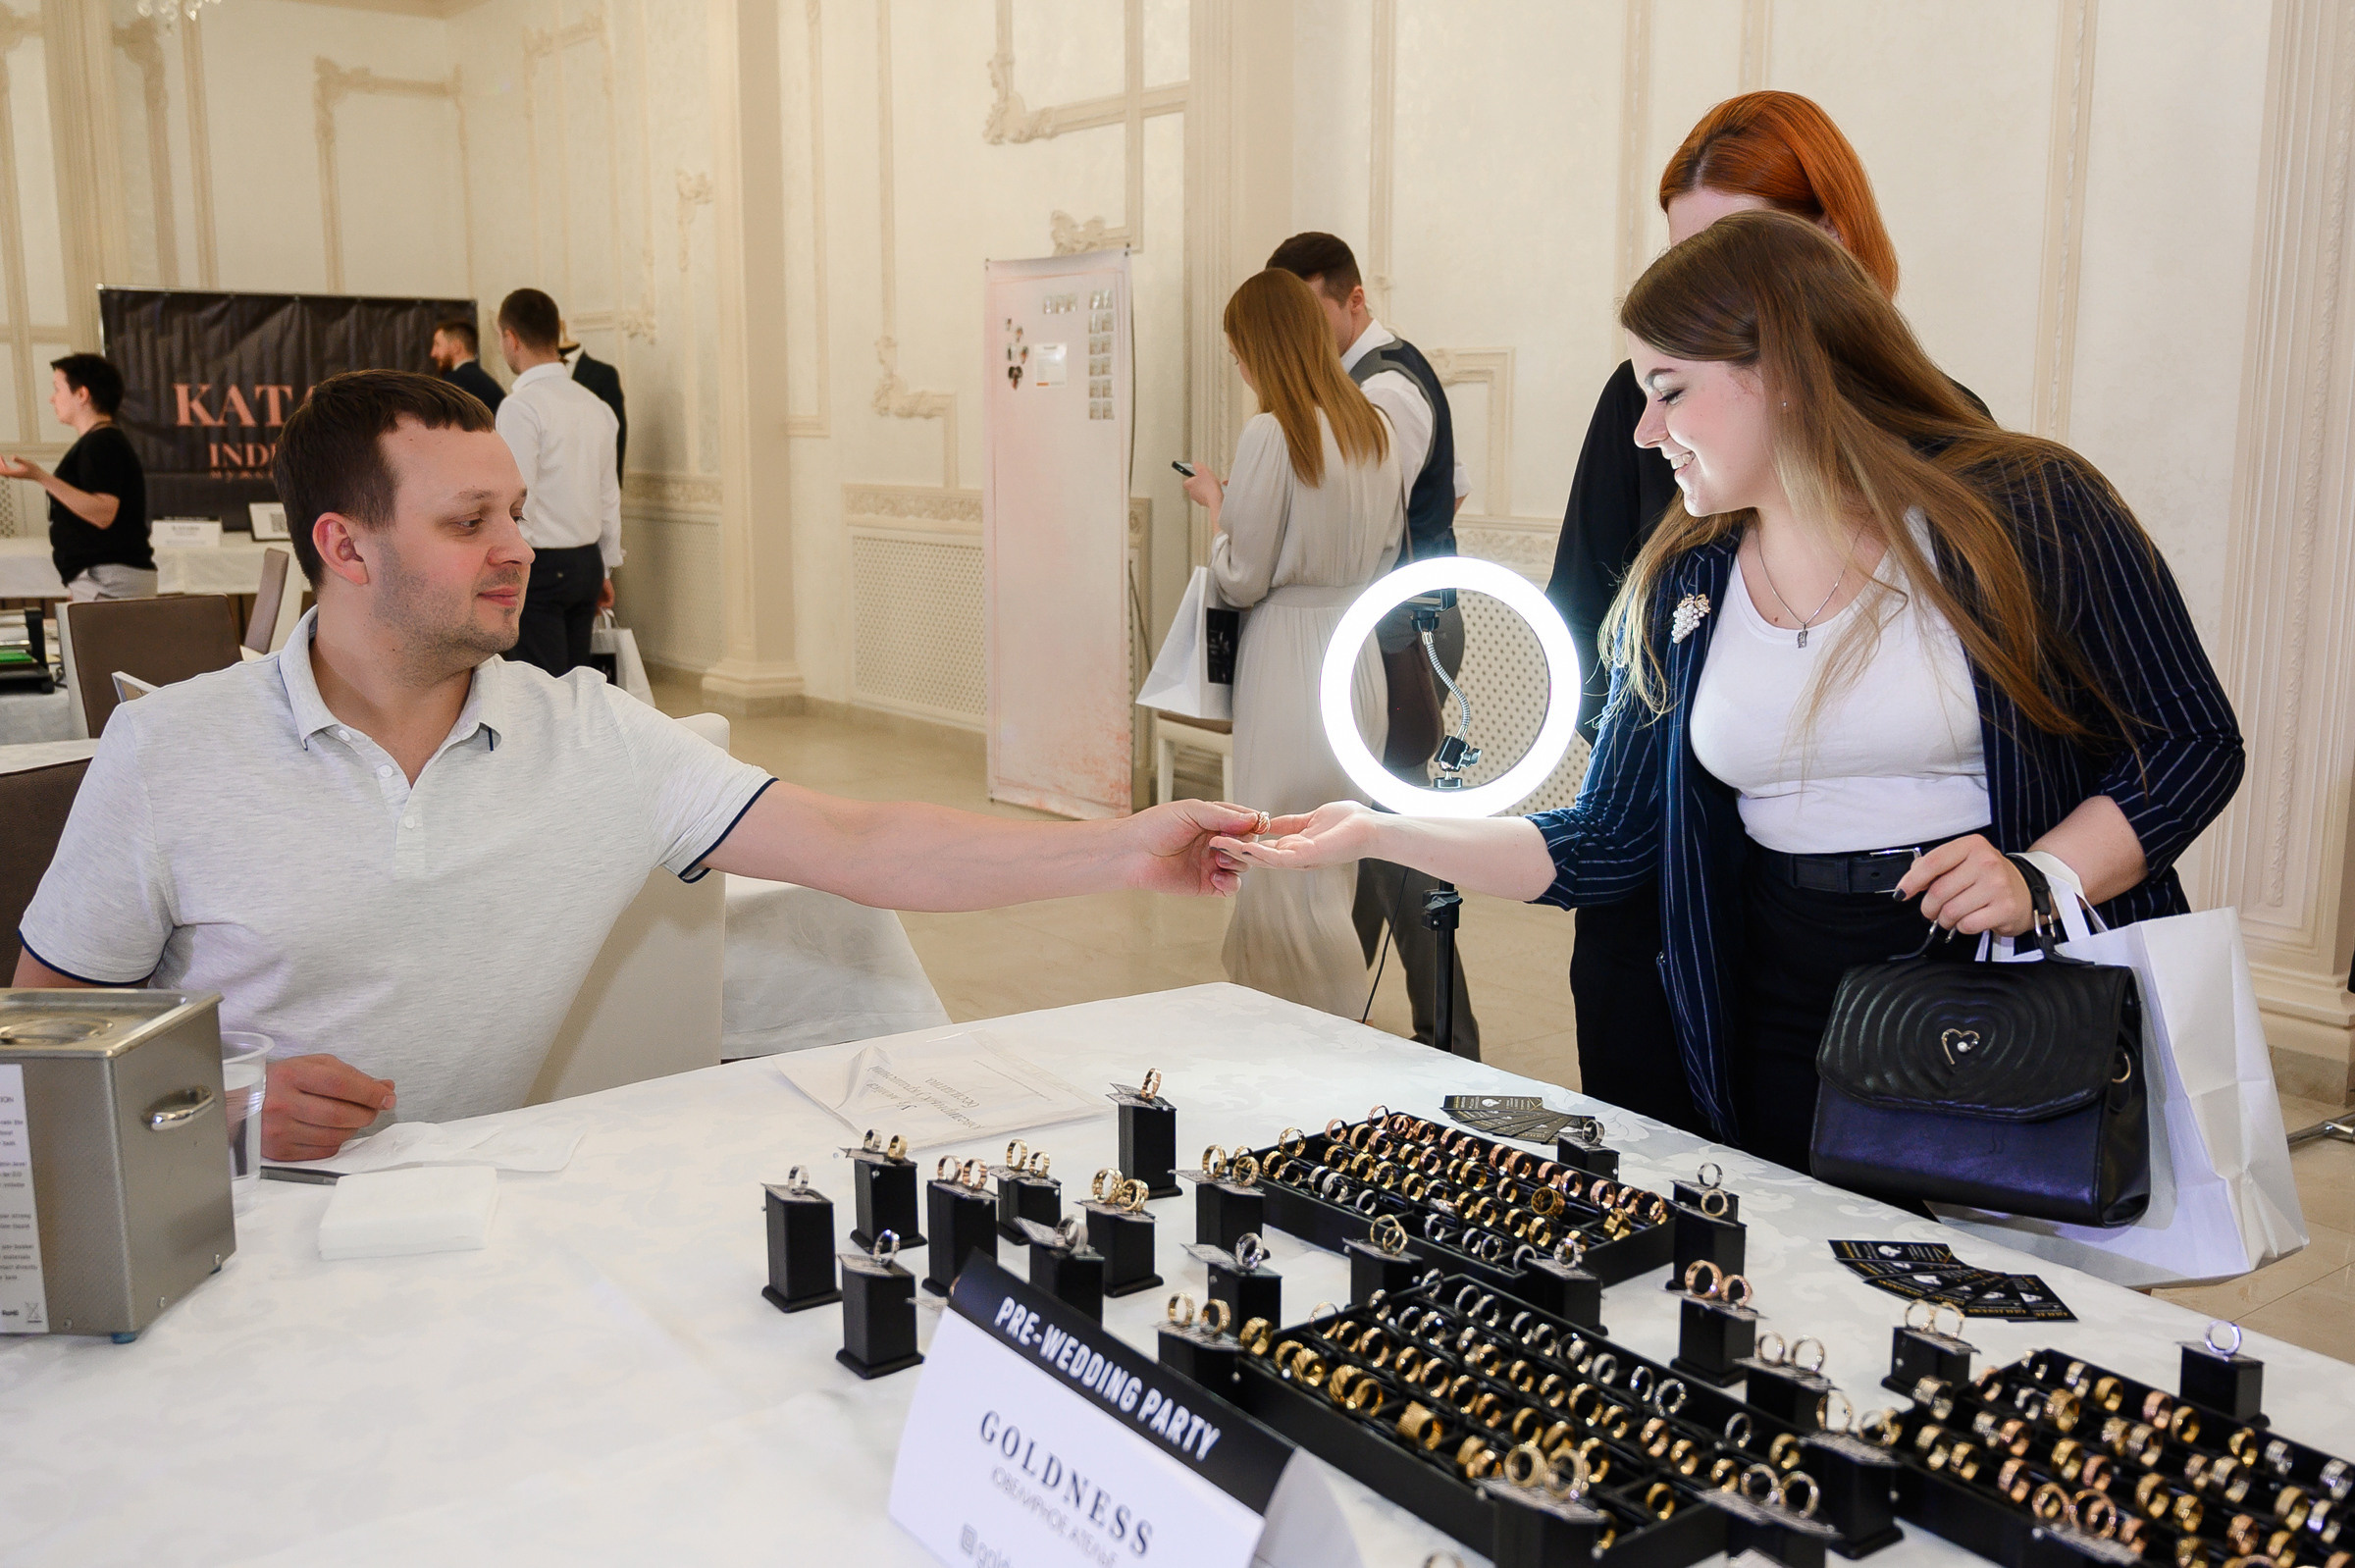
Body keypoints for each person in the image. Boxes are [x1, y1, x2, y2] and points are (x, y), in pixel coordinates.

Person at [1221, 212, 2242, 1179]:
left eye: (1669, 390)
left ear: (1785, 372)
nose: (1642, 431)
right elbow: (1607, 842)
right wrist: (1377, 828)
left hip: (2001, 988)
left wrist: (2043, 872)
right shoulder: (1686, 579)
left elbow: (2192, 739)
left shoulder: (2024, 509)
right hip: (1774, 1001)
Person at [13, 370, 1256, 1162]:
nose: (518, 547)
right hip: (229, 1243)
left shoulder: (589, 734)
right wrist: (223, 1120)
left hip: (471, 1229)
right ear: (344, 544)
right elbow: (37, 1054)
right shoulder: (172, 752)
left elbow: (862, 844)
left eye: (514, 509)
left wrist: (1118, 847)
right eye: (468, 524)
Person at [1544, 90, 1965, 1132]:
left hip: (1869, 927)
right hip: (1660, 866)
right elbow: (1588, 610)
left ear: (1822, 244)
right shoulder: (1644, 415)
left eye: (1732, 251)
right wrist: (1645, 794)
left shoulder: (1956, 446)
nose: (1702, 290)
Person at [1266, 232, 1479, 1057]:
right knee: (1358, 825)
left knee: (1391, 839)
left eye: (1310, 311)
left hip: (1402, 629)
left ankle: (1449, 1042)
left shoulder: (1388, 385)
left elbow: (1367, 508)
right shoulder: (1358, 384)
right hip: (1380, 624)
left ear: (1354, 299)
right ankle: (1331, 1012)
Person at [1181, 269, 1404, 1019]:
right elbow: (1383, 554)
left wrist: (1218, 520)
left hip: (1288, 659)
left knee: (1274, 851)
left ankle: (1294, 1027)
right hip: (1354, 654)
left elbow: (1243, 577)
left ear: (1262, 347)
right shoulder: (1370, 426)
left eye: (1239, 350)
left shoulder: (1272, 432)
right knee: (1329, 860)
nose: (1239, 366)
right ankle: (1330, 1023)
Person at [495, 287, 618, 678]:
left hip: (541, 566)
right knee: (577, 689)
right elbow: (609, 497)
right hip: (586, 563)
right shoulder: (594, 405)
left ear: (510, 338)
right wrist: (606, 569)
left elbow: (513, 498)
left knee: (540, 691)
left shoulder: (521, 407)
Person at [2, 354, 152, 601]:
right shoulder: (99, 441)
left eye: (57, 389)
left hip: (109, 580)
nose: (52, 398)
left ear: (82, 395)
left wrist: (40, 476)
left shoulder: (102, 443)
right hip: (103, 578)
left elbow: (103, 513)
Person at [560, 321, 627, 482]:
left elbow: (616, 429)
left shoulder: (603, 374)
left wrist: (613, 480)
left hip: (591, 475)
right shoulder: (543, 375)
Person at [429, 318, 503, 414]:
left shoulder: (454, 382)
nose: (433, 353)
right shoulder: (487, 382)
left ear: (456, 347)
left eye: (437, 344)